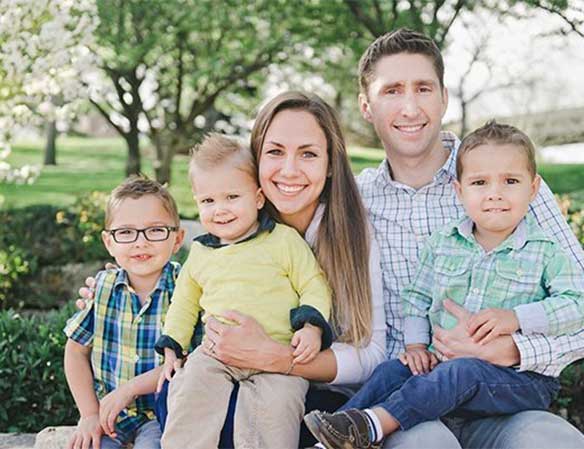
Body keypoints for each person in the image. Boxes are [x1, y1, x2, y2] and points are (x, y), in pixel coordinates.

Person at [78, 91, 388, 447]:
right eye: (275, 152)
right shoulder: (215, 239)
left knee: (270, 418)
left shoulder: (334, 237)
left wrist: (290, 347)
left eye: (308, 153)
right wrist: (115, 285)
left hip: (303, 384)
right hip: (218, 364)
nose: (289, 169)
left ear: (331, 163)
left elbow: (368, 349)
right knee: (179, 395)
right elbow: (182, 288)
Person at [350, 28, 584, 448]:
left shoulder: (508, 180)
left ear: (442, 97)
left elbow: (580, 301)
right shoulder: (356, 200)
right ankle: (343, 430)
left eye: (423, 88)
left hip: (504, 397)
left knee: (554, 442)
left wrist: (512, 349)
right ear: (367, 106)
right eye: (392, 91)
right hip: (410, 398)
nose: (409, 106)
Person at [304, 121, 584, 449]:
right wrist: (416, 347)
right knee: (392, 373)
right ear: (459, 190)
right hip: (446, 371)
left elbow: (577, 302)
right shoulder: (443, 243)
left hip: (519, 382)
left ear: (533, 189)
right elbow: (417, 297)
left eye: (510, 181)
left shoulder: (544, 249)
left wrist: (516, 318)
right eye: (480, 182)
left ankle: (373, 424)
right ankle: (332, 440)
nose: (495, 193)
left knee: (462, 371)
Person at [154, 133, 332, 449]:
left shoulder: (283, 240)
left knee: (277, 410)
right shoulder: (200, 253)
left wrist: (312, 328)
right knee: (189, 395)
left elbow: (313, 284)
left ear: (259, 198)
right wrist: (172, 348)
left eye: (232, 197)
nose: (220, 209)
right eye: (208, 201)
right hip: (215, 351)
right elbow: (183, 304)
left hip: (277, 353)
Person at [64, 177, 185, 449]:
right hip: (110, 416)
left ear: (177, 239)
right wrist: (89, 414)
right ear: (109, 242)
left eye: (155, 231)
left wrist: (129, 389)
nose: (140, 243)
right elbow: (75, 351)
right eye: (126, 232)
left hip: (165, 415)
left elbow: (186, 362)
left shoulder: (186, 289)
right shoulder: (103, 288)